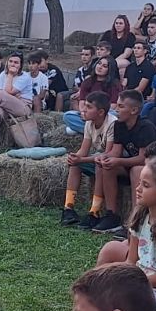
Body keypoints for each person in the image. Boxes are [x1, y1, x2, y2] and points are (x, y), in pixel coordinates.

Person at [89, 155, 156, 311]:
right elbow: (131, 260)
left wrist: (131, 283)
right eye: (139, 183)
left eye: (145, 185)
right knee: (97, 292)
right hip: (138, 280)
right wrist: (111, 275)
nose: (138, 188)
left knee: (116, 304)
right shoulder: (141, 219)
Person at [86, 91, 156, 235]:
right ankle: (112, 215)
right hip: (134, 164)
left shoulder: (145, 127)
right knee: (106, 166)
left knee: (136, 170)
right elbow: (116, 152)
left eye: (121, 106)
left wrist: (117, 160)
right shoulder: (118, 125)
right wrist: (104, 157)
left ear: (134, 110)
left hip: (155, 168)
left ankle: (135, 220)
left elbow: (143, 159)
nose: (116, 110)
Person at [59, 92, 114, 228]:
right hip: (98, 157)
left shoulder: (112, 124)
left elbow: (108, 154)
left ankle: (94, 212)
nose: (83, 110)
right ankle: (68, 208)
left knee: (99, 164)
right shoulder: (89, 123)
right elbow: (83, 150)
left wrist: (82, 159)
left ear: (100, 112)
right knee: (75, 164)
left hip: (111, 162)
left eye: (89, 107)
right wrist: (76, 157)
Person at [0, 52, 36, 151]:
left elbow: (6, 92)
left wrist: (10, 75)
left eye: (16, 62)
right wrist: (10, 95)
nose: (12, 64)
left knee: (0, 94)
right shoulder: (2, 74)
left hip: (23, 106)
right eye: (11, 61)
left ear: (21, 65)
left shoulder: (25, 76)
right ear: (7, 62)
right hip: (6, 105)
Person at [63, 55, 121, 134]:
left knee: (113, 115)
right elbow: (82, 102)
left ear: (110, 70)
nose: (100, 67)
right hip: (88, 113)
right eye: (99, 63)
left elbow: (113, 106)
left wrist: (95, 114)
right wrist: (84, 113)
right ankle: (97, 132)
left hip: (104, 114)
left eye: (104, 66)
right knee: (67, 116)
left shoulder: (115, 84)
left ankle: (87, 130)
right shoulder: (88, 81)